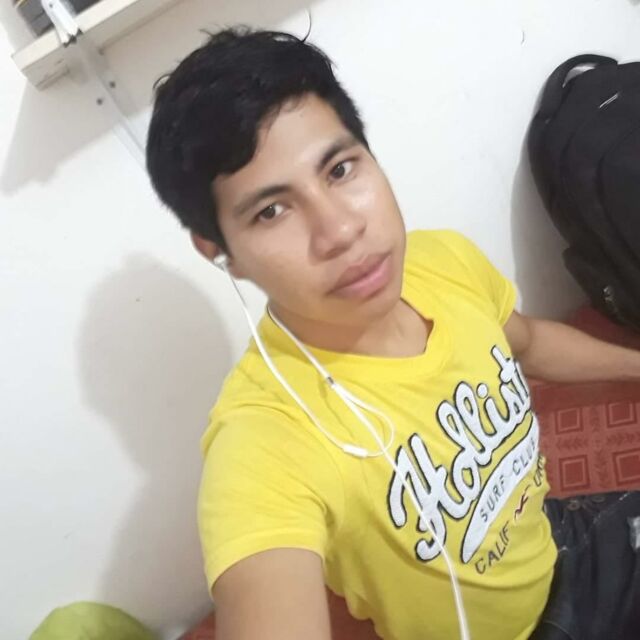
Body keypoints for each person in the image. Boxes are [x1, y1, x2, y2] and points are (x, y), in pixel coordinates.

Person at [145, 27, 640, 640]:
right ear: (220, 251)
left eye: (339, 169)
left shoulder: (441, 262)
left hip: (565, 541)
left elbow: (530, 343)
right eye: (271, 211)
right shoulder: (265, 441)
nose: (339, 231)